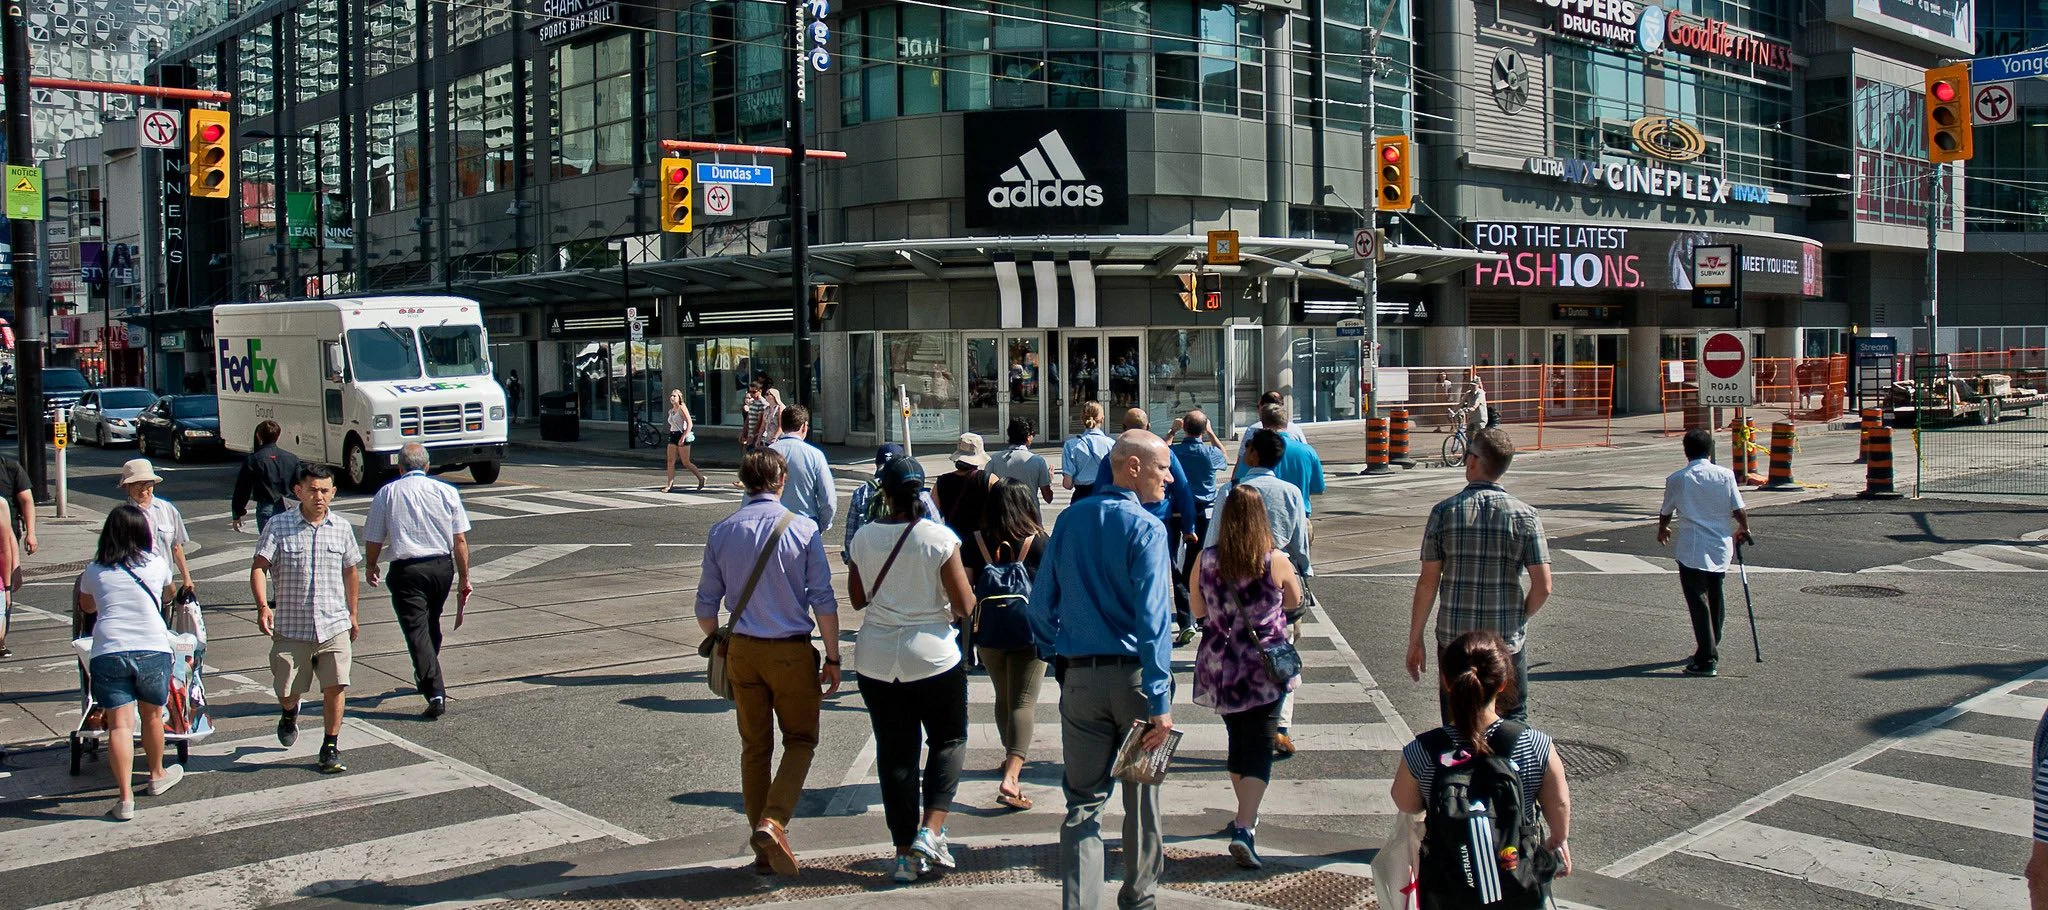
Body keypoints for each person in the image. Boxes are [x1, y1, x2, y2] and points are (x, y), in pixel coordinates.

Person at [1027, 430, 1176, 910]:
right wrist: (1160, 700)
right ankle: (1139, 898)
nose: (1169, 478)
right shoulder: (1147, 528)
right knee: (1141, 800)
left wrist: (1059, 656)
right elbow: (1154, 622)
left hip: (1081, 679)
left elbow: (1039, 606)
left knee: (1083, 804)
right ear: (1132, 467)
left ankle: (1081, 903)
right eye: (1162, 468)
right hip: (1134, 681)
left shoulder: (1070, 522)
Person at [696, 449, 842, 877]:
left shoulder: (721, 531)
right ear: (781, 482)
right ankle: (773, 821)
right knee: (800, 739)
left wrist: (718, 638)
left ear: (743, 482)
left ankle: (763, 850)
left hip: (741, 649)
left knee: (754, 748)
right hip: (790, 650)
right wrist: (833, 656)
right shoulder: (803, 529)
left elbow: (705, 609)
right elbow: (823, 600)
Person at [847, 456, 976, 883]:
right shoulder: (938, 538)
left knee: (895, 752)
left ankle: (903, 853)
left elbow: (857, 599)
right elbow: (964, 605)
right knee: (949, 737)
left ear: (884, 493)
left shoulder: (864, 538)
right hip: (933, 655)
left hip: (876, 658)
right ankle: (931, 829)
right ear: (921, 492)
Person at [1391, 630, 1572, 907]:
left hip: (1448, 890)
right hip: (1517, 886)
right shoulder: (1535, 745)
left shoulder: (1424, 751)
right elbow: (1557, 803)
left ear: (1447, 683)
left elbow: (1405, 801)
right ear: (1502, 683)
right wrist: (1558, 839)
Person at [1406, 428, 1553, 724]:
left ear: (1473, 461)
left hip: (1454, 639)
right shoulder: (1526, 516)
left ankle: (1461, 765)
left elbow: (1428, 582)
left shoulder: (1444, 513)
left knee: (1456, 722)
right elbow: (1544, 586)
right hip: (1505, 639)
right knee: (1512, 718)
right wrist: (1519, 616)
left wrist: (1415, 638)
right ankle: (1506, 770)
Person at [1191, 486, 1302, 869]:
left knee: (1238, 741)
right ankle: (1244, 826)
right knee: (1260, 746)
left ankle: (1245, 814)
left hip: (1220, 663)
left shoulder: (1206, 560)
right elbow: (1294, 601)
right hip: (1262, 668)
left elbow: (1195, 608)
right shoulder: (1274, 561)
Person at [1205, 428, 1311, 753]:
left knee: (1235, 650)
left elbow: (1213, 540)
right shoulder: (1290, 492)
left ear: (1253, 455)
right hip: (1277, 576)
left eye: (1247, 447)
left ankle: (1241, 716)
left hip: (1235, 580)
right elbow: (1300, 544)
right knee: (1281, 650)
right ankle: (1278, 723)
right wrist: (1303, 574)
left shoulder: (1232, 490)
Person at [252, 464, 362, 775]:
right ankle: (289, 713)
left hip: (333, 625)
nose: (319, 496)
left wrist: (352, 613)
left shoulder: (341, 528)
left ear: (333, 493)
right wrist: (263, 606)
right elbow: (259, 567)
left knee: (336, 685)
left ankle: (330, 744)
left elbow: (351, 570)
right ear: (299, 491)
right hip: (291, 627)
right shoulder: (278, 526)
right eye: (313, 490)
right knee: (287, 690)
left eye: (325, 491)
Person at [77, 504, 183, 820]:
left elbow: (87, 605)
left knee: (120, 724)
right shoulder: (157, 564)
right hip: (152, 647)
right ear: (144, 533)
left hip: (109, 650)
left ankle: (124, 800)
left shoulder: (94, 570)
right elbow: (169, 595)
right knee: (152, 716)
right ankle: (156, 775)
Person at [363, 443, 474, 718]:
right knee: (430, 622)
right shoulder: (448, 491)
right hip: (441, 567)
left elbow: (375, 536)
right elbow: (459, 539)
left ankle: (434, 690)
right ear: (427, 466)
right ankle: (427, 671)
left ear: (399, 467)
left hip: (407, 569)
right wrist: (464, 578)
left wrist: (371, 564)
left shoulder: (387, 493)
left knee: (416, 630)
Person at [973, 479, 1052, 811]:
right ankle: (1012, 776)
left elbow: (966, 586)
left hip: (989, 632)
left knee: (1003, 696)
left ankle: (1010, 759)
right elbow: (1053, 585)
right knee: (1023, 701)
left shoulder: (977, 538)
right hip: (1028, 629)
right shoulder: (1038, 542)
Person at [1657, 429, 1752, 678]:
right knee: (1715, 595)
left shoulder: (1678, 478)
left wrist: (1663, 528)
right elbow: (1738, 508)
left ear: (1686, 451)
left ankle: (1707, 657)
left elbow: (1666, 510)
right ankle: (1711, 642)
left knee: (1697, 600)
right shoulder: (1725, 475)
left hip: (1692, 546)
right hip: (1720, 544)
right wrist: (1744, 528)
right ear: (1710, 450)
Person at [1170, 410, 1228, 644]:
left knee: (1177, 564)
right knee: (1203, 561)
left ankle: (1186, 619)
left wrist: (1171, 432)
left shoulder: (1175, 451)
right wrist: (1212, 434)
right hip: (1204, 511)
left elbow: (1161, 451)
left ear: (1185, 428)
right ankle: (1205, 615)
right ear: (1203, 430)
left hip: (1176, 511)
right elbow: (1224, 456)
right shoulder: (1209, 452)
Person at [845, 445, 939, 562]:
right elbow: (937, 529)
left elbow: (851, 535)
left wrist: (849, 559)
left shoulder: (862, 492)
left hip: (871, 561)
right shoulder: (921, 494)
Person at [118, 459, 195, 594]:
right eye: (137, 485)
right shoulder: (121, 515)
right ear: (127, 487)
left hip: (164, 585)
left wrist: (187, 579)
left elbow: (176, 547)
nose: (143, 490)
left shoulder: (167, 509)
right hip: (134, 586)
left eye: (147, 484)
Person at [1234, 404, 1325, 514]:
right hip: (1298, 515)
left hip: (1261, 517)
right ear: (1286, 423)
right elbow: (1318, 488)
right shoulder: (1308, 451)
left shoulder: (1255, 451)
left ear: (1262, 423)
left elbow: (1239, 483)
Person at [936, 433, 999, 573]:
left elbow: (933, 515)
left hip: (953, 545)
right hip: (983, 546)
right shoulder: (989, 480)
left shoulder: (941, 481)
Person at [769, 405, 837, 533]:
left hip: (772, 524)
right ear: (804, 426)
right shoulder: (815, 455)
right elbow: (828, 500)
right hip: (805, 523)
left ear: (782, 425)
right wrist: (822, 525)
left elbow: (751, 496)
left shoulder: (767, 453)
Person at [232, 419, 301, 534]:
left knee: (267, 545)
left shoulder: (253, 460)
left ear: (259, 436)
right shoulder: (292, 458)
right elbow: (301, 484)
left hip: (266, 506)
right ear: (278, 435)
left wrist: (237, 513)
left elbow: (242, 489)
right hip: (289, 506)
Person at [0, 449, 30, 659]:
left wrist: (32, 533)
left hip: (6, 543)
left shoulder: (9, 467)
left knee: (5, 599)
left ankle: (1, 640)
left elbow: (7, 545)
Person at [988, 417, 1055, 504]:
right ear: (1028, 437)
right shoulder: (1037, 461)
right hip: (1029, 513)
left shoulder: (994, 459)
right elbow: (1048, 498)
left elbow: (986, 488)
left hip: (1003, 512)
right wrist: (1049, 479)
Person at [1059, 401, 1114, 499]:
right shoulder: (1111, 444)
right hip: (1104, 496)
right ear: (1102, 419)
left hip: (1081, 496)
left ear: (1082, 419)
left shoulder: (1070, 445)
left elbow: (1067, 484)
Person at [664, 388, 708, 493]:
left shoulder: (682, 408)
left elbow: (690, 423)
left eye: (674, 396)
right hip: (673, 434)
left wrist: (683, 437)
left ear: (679, 398)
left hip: (681, 434)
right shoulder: (671, 410)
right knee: (670, 461)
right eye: (671, 395)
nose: (672, 397)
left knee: (686, 462)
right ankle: (669, 484)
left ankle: (701, 478)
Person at [758, 375, 787, 449]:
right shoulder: (766, 409)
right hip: (768, 439)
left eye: (768, 394)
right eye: (765, 394)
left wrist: (775, 438)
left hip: (779, 439)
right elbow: (763, 425)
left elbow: (781, 426)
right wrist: (758, 439)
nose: (765, 396)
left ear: (774, 396)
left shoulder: (780, 408)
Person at [739, 381, 766, 450]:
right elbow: (748, 418)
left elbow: (760, 420)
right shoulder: (752, 402)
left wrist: (753, 434)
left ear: (760, 391)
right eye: (750, 391)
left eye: (754, 392)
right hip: (751, 433)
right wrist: (743, 432)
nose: (751, 394)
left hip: (758, 435)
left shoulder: (762, 403)